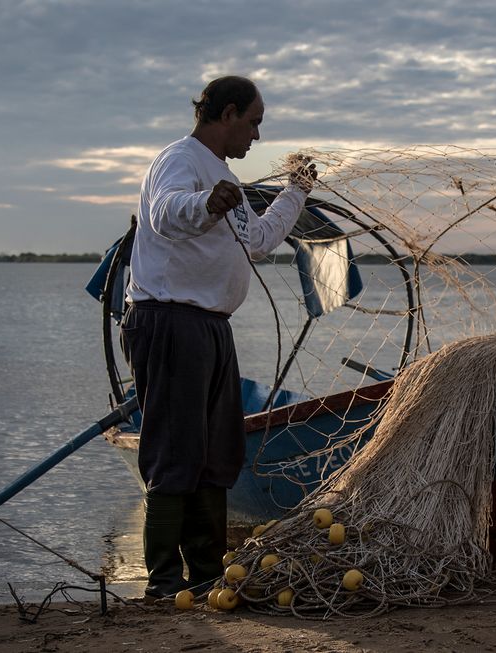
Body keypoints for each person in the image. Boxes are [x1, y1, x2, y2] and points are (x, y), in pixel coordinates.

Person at [122, 75, 316, 600]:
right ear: (227, 114)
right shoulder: (179, 160)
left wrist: (297, 191)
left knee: (216, 451)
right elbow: (165, 213)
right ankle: (164, 582)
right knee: (175, 450)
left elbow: (259, 239)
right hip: (169, 321)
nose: (256, 135)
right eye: (253, 123)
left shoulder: (223, 175)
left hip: (210, 327)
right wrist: (207, 203)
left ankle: (206, 572)